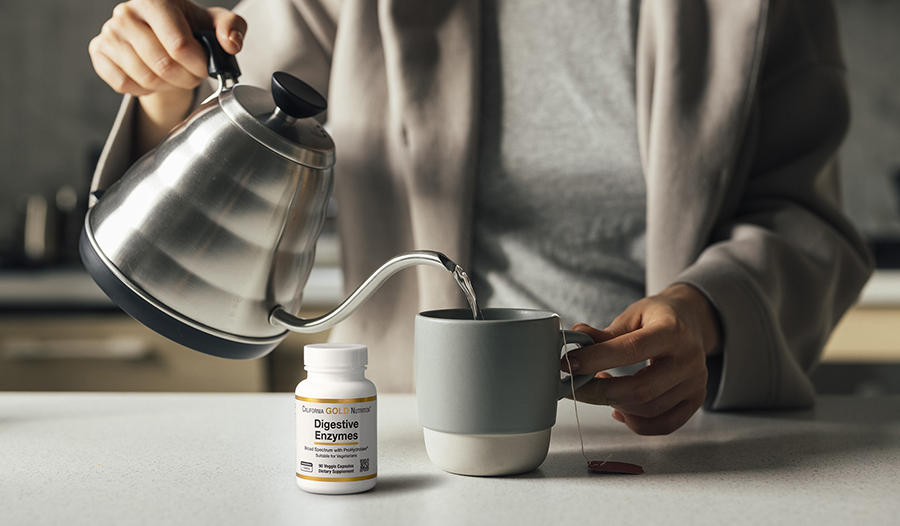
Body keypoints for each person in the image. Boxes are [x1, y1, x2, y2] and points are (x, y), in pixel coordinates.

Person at [88, 0, 873, 436]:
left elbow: (804, 215)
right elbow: (241, 123)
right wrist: (165, 84)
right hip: (406, 432)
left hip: (667, 434)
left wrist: (705, 315)